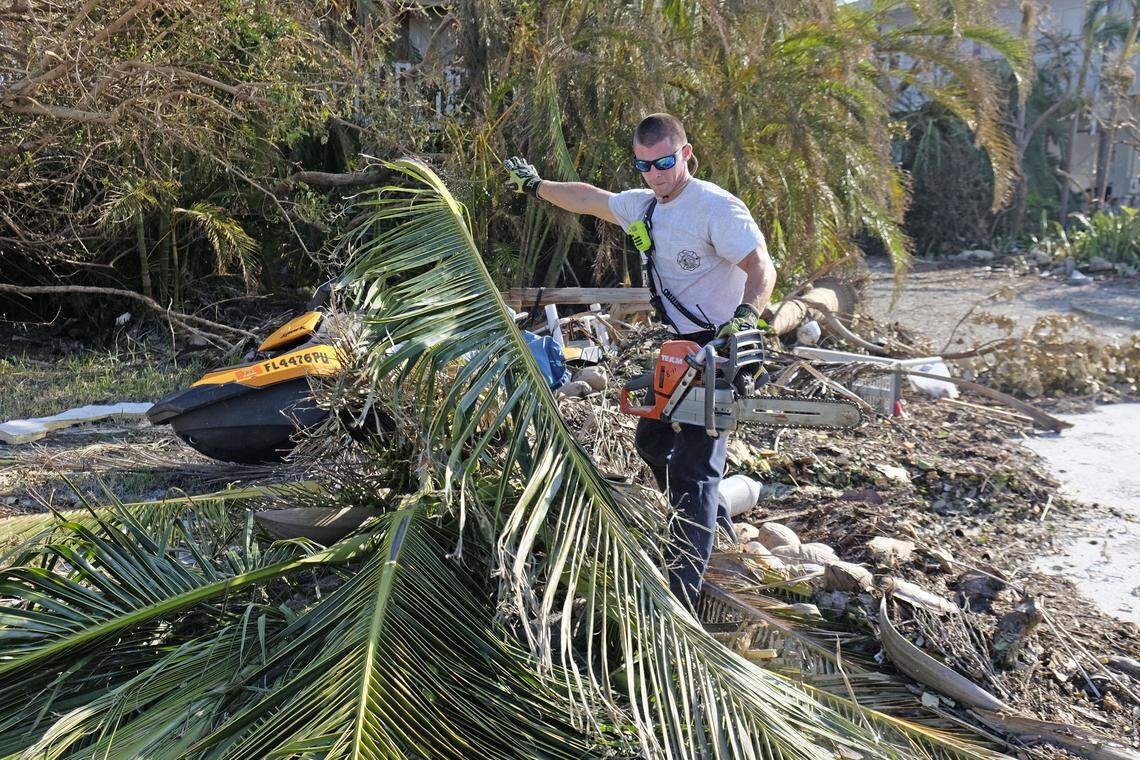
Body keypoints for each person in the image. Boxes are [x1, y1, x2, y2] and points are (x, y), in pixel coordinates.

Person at [504, 113, 776, 607]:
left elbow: (762, 266)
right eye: (645, 166)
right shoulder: (644, 206)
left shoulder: (715, 207)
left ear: (686, 155)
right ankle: (710, 523)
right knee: (651, 440)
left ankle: (682, 596)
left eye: (665, 163)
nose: (656, 174)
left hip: (724, 345)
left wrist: (746, 318)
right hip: (680, 347)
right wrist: (537, 185)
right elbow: (589, 199)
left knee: (694, 469)